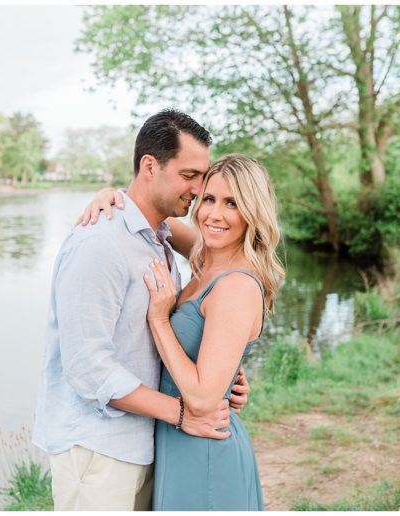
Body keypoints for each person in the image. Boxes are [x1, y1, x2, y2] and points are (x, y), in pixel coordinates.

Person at [32, 109, 251, 511]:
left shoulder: (159, 237)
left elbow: (222, 295)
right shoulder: (100, 243)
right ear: (149, 166)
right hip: (97, 450)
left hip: (148, 443)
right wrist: (182, 413)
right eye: (190, 176)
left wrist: (224, 375)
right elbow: (87, 367)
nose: (198, 191)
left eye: (202, 177)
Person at [80, 154, 285, 510]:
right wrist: (112, 196)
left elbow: (204, 400)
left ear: (254, 212)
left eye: (232, 204)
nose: (213, 215)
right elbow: (150, 215)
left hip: (204, 449)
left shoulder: (235, 285)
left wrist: (160, 322)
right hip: (176, 441)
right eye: (209, 198)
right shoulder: (207, 259)